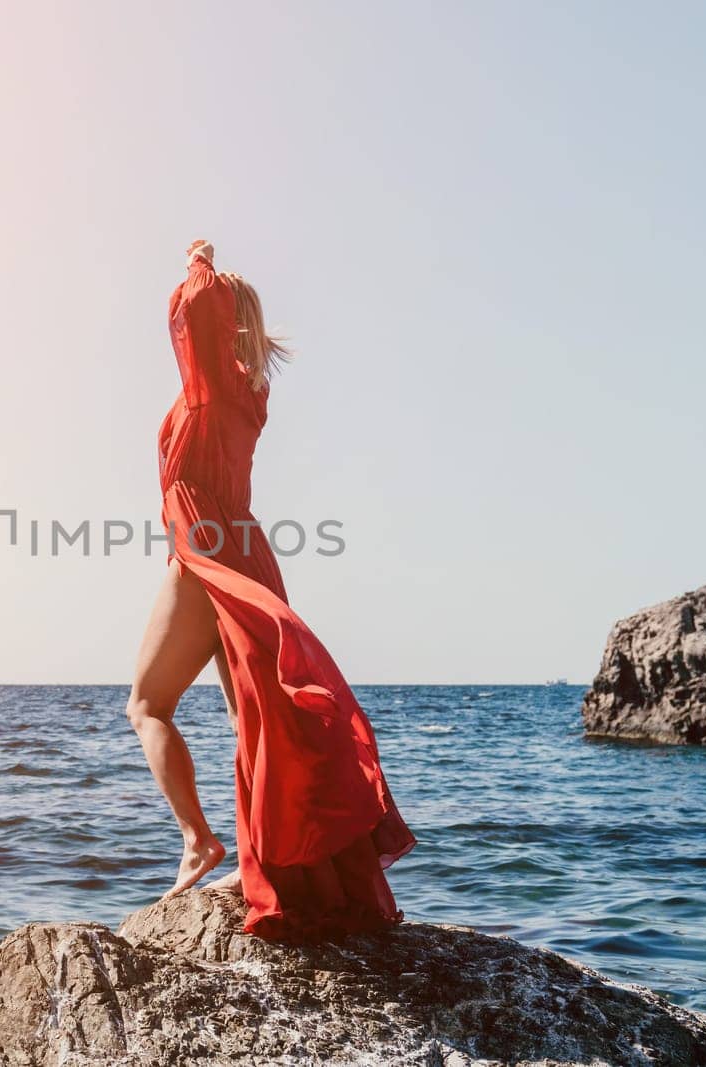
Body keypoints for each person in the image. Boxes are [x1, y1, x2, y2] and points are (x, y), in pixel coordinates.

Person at [125, 239, 416, 939]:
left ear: (218, 323)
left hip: (210, 554)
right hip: (243, 548)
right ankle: (267, 858)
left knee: (146, 704)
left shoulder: (212, 387)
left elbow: (194, 306)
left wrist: (199, 262)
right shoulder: (251, 392)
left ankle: (199, 838)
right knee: (250, 715)